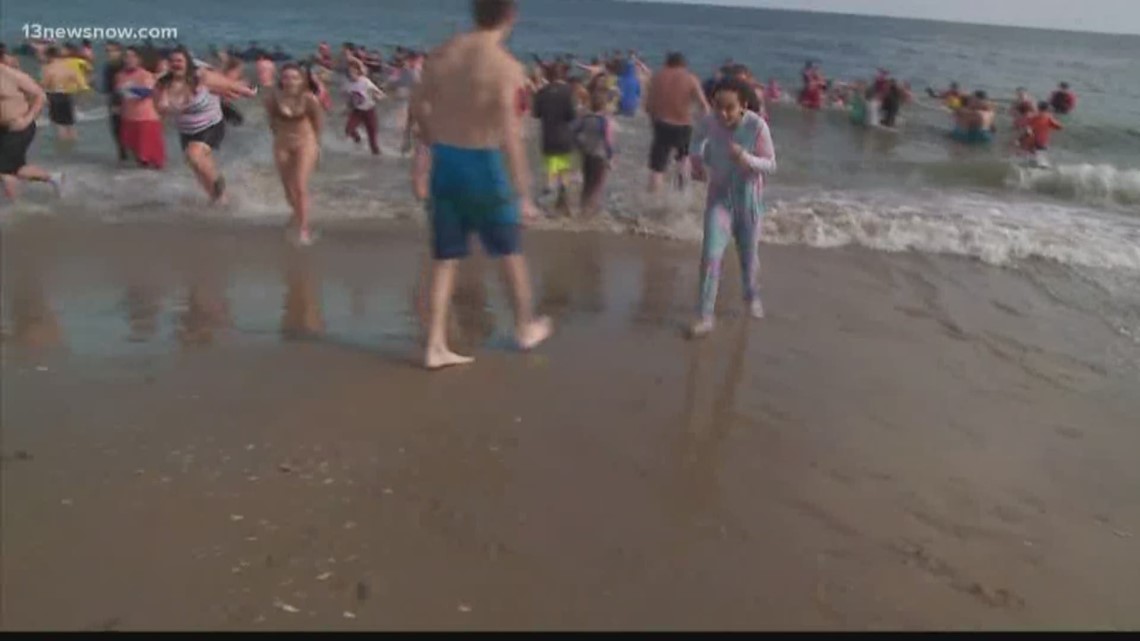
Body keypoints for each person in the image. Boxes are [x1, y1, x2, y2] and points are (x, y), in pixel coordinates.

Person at [409, 0, 552, 370]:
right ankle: (524, 326)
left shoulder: (444, 55)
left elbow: (417, 103)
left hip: (446, 162)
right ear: (511, 16)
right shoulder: (507, 67)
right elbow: (510, 134)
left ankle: (435, 345)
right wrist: (523, 193)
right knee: (508, 252)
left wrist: (431, 139)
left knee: (446, 258)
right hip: (483, 166)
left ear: (474, 13)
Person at [688, 77, 776, 338]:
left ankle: (751, 296)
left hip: (748, 202)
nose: (723, 114)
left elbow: (771, 164)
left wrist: (746, 158)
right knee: (711, 256)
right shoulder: (709, 121)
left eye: (729, 107)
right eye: (718, 107)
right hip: (719, 200)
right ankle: (705, 315)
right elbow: (696, 140)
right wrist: (696, 161)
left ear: (743, 105)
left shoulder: (756, 126)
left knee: (748, 259)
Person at [155, 47, 255, 204]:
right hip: (186, 130)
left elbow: (230, 84)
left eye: (179, 61)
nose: (176, 64)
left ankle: (219, 195)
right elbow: (159, 111)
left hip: (210, 124)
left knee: (194, 156)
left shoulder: (201, 76)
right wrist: (162, 113)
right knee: (197, 166)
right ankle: (217, 196)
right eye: (172, 61)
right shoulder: (163, 84)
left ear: (187, 63)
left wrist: (247, 91)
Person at [265, 63, 324, 245]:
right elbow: (271, 120)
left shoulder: (309, 99)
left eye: (294, 77)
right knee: (289, 192)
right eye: (286, 77)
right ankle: (298, 214)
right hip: (282, 144)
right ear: (281, 80)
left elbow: (318, 123)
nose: (290, 81)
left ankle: (303, 229)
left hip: (305, 143)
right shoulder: (273, 98)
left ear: (301, 80)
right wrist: (279, 137)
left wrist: (315, 144)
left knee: (299, 185)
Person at [645, 51, 709, 193]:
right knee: (684, 160)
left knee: (657, 168)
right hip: (684, 125)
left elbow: (648, 107)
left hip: (661, 124)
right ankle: (683, 196)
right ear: (683, 65)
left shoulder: (656, 77)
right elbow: (704, 106)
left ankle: (652, 203)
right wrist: (702, 126)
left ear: (667, 63)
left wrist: (654, 123)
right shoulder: (691, 78)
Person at [0, 63, 63, 200]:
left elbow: (41, 96)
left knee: (4, 171)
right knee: (17, 169)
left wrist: (28, 119)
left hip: (18, 129)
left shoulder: (13, 76)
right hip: (3, 131)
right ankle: (53, 177)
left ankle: (16, 210)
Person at [532, 62, 577, 208]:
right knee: (564, 169)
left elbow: (536, 114)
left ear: (548, 76)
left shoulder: (542, 92)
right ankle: (563, 199)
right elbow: (572, 116)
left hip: (548, 136)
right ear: (562, 75)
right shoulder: (568, 91)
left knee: (551, 169)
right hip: (564, 136)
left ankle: (547, 198)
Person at [115, 46, 165, 169]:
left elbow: (148, 92)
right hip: (128, 118)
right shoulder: (119, 75)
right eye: (126, 56)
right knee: (135, 154)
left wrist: (130, 90)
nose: (129, 59)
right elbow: (118, 94)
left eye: (132, 56)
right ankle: (141, 184)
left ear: (139, 59)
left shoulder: (145, 75)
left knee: (152, 157)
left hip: (146, 119)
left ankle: (159, 183)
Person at [573, 89, 616, 217]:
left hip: (586, 155)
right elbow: (607, 142)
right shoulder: (604, 122)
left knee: (587, 184)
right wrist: (610, 157)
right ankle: (592, 212)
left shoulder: (584, 119)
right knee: (597, 185)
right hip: (599, 157)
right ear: (604, 106)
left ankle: (582, 208)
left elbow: (574, 132)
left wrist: (579, 147)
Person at [39, 46, 84, 142]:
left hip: (55, 97)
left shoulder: (49, 68)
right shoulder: (69, 68)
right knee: (70, 124)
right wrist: (78, 100)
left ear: (49, 56)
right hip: (68, 96)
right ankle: (73, 148)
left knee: (60, 126)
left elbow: (44, 85)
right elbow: (81, 86)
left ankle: (64, 149)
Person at [342, 59, 384, 155]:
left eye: (353, 71)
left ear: (357, 71)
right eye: (349, 72)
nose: (351, 74)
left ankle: (378, 161)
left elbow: (379, 93)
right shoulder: (347, 85)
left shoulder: (365, 82)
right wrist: (346, 108)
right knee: (349, 130)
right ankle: (359, 141)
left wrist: (378, 97)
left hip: (369, 111)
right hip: (357, 111)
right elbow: (350, 99)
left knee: (373, 142)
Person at [100, 41, 128, 161]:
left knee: (129, 133)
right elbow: (108, 89)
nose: (110, 54)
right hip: (114, 102)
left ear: (120, 51)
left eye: (112, 51)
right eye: (108, 51)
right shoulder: (108, 67)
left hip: (128, 104)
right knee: (117, 133)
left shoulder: (125, 65)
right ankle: (123, 160)